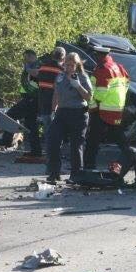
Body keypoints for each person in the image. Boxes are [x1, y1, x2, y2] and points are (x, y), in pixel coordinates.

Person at [46, 53, 92, 184]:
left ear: (77, 65)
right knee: (53, 140)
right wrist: (53, 110)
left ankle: (76, 175)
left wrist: (78, 86)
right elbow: (56, 93)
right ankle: (54, 173)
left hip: (78, 113)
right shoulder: (60, 76)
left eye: (72, 65)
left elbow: (89, 97)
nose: (69, 67)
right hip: (62, 112)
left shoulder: (82, 77)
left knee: (76, 145)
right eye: (67, 64)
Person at [83, 45, 131, 170]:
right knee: (120, 138)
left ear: (98, 56)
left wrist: (91, 102)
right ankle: (132, 157)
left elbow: (100, 93)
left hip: (102, 110)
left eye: (95, 56)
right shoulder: (119, 67)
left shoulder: (102, 69)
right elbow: (127, 84)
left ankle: (88, 166)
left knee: (93, 140)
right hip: (116, 108)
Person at [1, 49, 41, 156]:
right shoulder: (31, 65)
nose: (25, 60)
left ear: (31, 56)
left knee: (10, 115)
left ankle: (6, 140)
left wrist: (28, 69)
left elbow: (38, 74)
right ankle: (36, 150)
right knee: (31, 125)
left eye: (26, 58)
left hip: (32, 99)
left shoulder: (38, 64)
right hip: (29, 98)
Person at [36, 47, 65, 144]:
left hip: (43, 99)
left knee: (47, 125)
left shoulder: (42, 67)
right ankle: (55, 146)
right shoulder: (62, 70)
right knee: (56, 125)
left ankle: (48, 146)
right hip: (55, 101)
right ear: (63, 57)